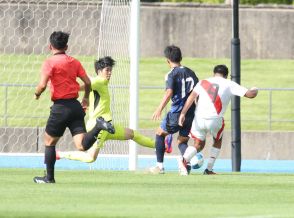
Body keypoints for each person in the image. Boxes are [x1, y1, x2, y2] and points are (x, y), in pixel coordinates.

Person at [33, 31, 115, 183]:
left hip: (60, 107)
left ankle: (49, 178)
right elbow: (88, 82)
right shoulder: (74, 62)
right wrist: (85, 99)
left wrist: (37, 93)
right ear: (67, 46)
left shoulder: (49, 63)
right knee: (82, 146)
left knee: (49, 142)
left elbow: (42, 85)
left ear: (50, 46)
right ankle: (98, 126)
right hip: (75, 107)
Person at [56, 56, 155, 163]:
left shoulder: (97, 81)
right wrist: (73, 88)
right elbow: (87, 85)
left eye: (111, 70)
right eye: (107, 70)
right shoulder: (100, 81)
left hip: (108, 126)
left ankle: (159, 145)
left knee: (132, 134)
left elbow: (90, 83)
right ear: (99, 71)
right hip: (99, 126)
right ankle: (60, 154)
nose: (110, 73)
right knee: (90, 158)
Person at [179, 64, 258, 175]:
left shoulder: (203, 82)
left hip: (199, 119)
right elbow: (250, 94)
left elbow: (191, 97)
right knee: (217, 140)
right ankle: (209, 169)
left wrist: (183, 113)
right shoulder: (229, 83)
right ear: (226, 75)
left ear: (214, 73)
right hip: (215, 119)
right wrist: (255, 89)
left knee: (198, 144)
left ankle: (184, 160)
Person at [149, 45, 199, 175]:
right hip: (191, 113)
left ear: (167, 60)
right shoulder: (191, 72)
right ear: (181, 58)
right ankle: (185, 165)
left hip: (177, 112)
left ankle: (159, 167)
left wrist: (159, 108)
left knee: (160, 133)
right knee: (182, 140)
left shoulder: (171, 74)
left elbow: (169, 92)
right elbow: (198, 93)